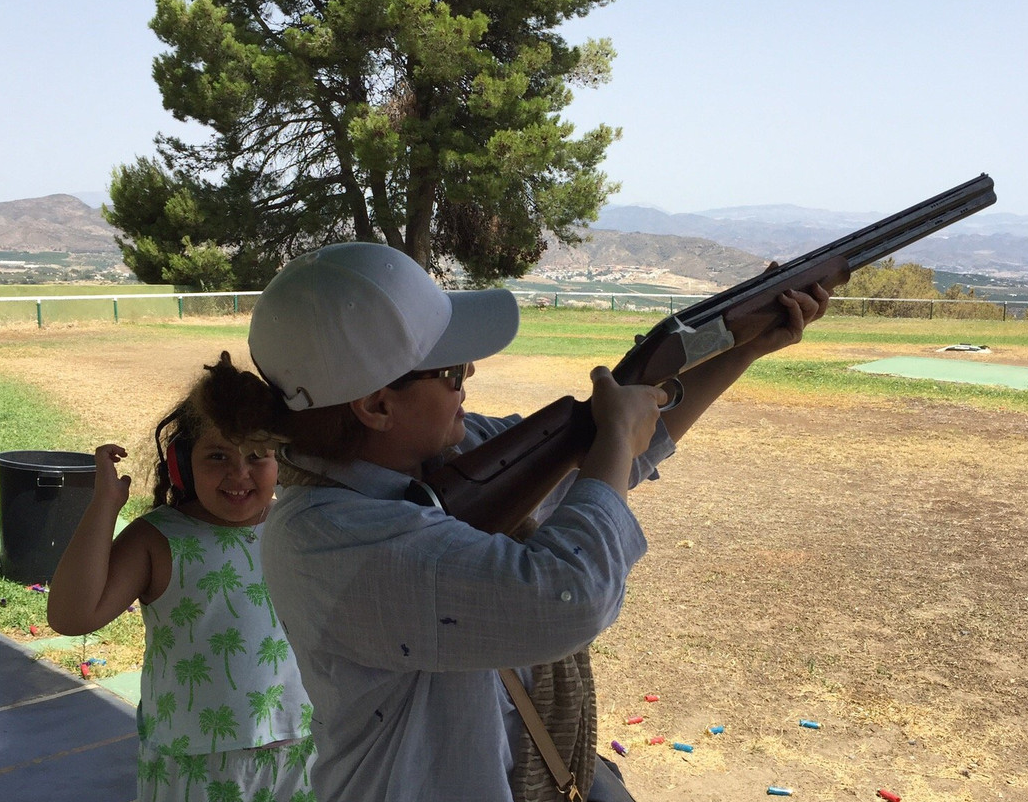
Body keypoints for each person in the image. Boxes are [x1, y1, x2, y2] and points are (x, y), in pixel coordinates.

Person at [209, 242, 829, 802]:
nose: (468, 377)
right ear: (376, 405)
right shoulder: (327, 537)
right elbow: (570, 594)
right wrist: (614, 436)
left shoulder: (438, 456)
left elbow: (614, 443)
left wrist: (744, 343)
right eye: (451, 371)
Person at [47, 353, 316, 802]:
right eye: (217, 455)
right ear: (181, 464)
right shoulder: (158, 539)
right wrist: (104, 507)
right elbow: (72, 616)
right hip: (195, 766)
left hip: (300, 751)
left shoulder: (296, 520)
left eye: (257, 455)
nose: (239, 473)